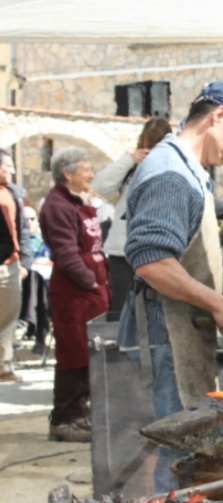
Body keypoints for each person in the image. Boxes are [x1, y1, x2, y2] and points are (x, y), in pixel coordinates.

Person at [117, 81, 223, 493]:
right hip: (168, 338)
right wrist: (216, 301)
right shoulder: (171, 173)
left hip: (181, 331)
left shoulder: (187, 169)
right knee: (180, 453)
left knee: (185, 450)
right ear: (218, 116)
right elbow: (152, 261)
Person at [39, 147, 110, 442]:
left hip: (90, 294)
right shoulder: (57, 206)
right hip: (74, 294)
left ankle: (80, 413)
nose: (91, 174)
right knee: (73, 356)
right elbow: (66, 254)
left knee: (88, 354)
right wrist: (91, 282)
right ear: (68, 174)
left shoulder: (79, 202)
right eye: (86, 170)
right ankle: (64, 419)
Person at [92, 118, 173, 312]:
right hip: (122, 252)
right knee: (123, 312)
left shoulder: (171, 167)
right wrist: (129, 159)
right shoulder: (130, 166)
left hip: (156, 252)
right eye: (147, 146)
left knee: (155, 312)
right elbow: (101, 186)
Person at [0, 148, 32, 382]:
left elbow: (22, 230)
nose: (12, 170)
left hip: (11, 264)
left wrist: (25, 262)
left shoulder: (13, 194)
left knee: (9, 317)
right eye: (7, 166)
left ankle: (3, 365)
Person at [20, 204, 51, 356]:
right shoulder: (14, 243)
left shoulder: (45, 242)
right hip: (20, 292)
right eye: (24, 219)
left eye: (32, 219)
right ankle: (32, 320)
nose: (28, 223)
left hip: (47, 291)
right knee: (33, 278)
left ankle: (33, 321)